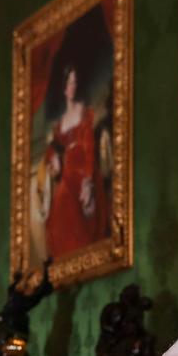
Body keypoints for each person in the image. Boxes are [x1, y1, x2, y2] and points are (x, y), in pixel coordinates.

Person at [41, 63, 108, 261]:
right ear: (64, 88)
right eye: (69, 83)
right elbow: (53, 146)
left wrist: (87, 181)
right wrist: (52, 157)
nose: (73, 87)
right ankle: (66, 260)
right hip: (68, 172)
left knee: (81, 215)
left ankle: (80, 257)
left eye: (75, 82)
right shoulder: (60, 122)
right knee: (59, 214)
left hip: (83, 170)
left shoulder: (83, 112)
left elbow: (89, 146)